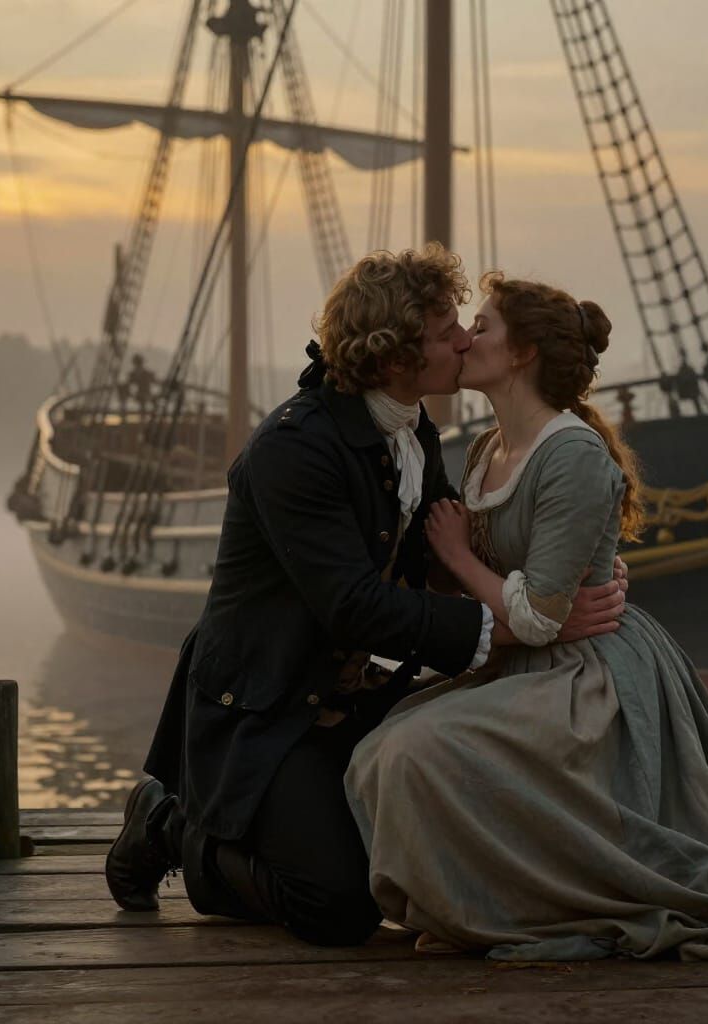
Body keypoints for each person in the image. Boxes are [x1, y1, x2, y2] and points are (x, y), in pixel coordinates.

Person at [344, 272, 708, 961]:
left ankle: (508, 908)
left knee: (418, 752)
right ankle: (476, 897)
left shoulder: (573, 456)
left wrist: (460, 558)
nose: (467, 338)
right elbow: (517, 600)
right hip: (528, 664)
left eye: (484, 326)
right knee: (385, 744)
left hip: (591, 683)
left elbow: (533, 614)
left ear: (522, 353)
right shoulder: (484, 452)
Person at [104, 246, 628, 946]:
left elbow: (450, 555)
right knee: (339, 904)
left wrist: (559, 584)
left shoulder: (412, 428)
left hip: (352, 691)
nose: (464, 342)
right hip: (271, 702)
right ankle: (170, 825)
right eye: (447, 335)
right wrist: (518, 629)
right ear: (392, 359)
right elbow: (353, 606)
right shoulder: (295, 450)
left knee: (432, 819)